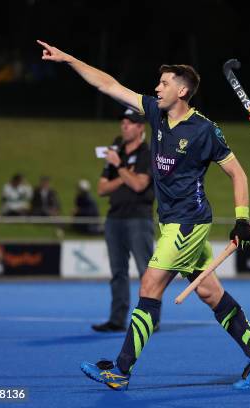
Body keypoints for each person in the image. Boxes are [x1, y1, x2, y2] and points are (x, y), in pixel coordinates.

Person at [37, 40, 250, 390]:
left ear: (182, 90)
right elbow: (108, 84)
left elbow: (238, 174)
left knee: (149, 286)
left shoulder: (205, 131)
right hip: (171, 223)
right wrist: (70, 58)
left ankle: (121, 370)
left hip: (188, 223)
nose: (156, 88)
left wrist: (242, 219)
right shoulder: (154, 112)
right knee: (211, 294)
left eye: (164, 84)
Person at [91, 108, 157, 333]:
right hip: (114, 218)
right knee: (117, 272)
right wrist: (125, 175)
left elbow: (140, 185)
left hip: (139, 218)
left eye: (130, 123)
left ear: (140, 128)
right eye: (123, 122)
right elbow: (101, 188)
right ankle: (117, 319)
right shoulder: (116, 151)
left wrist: (120, 168)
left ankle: (150, 319)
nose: (124, 126)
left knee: (146, 271)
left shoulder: (147, 153)